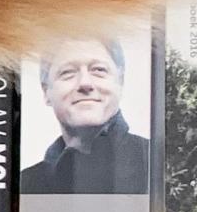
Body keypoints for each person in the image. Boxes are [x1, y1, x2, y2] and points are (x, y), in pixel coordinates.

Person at [20, 34, 151, 195]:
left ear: (120, 82)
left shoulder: (158, 164)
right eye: (67, 72)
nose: (85, 83)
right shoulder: (25, 186)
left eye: (98, 70)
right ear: (46, 91)